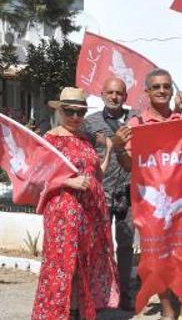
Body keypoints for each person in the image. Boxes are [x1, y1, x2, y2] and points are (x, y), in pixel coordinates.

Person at [120, 68, 182, 320]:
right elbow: (128, 165)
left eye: (166, 86)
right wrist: (119, 147)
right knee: (157, 258)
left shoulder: (180, 123)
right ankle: (166, 308)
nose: (162, 90)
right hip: (151, 207)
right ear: (147, 91)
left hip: (181, 203)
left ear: (172, 90)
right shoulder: (136, 125)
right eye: (157, 87)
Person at [32, 87, 119, 319]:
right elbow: (36, 177)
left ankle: (75, 311)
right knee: (62, 264)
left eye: (80, 112)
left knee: (84, 264)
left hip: (89, 213)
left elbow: (97, 176)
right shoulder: (50, 140)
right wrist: (68, 182)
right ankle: (56, 313)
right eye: (70, 111)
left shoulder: (85, 139)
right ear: (60, 111)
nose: (75, 117)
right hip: (63, 211)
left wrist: (108, 151)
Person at [82, 78, 139, 311]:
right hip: (102, 193)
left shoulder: (136, 119)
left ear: (126, 96)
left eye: (119, 93)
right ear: (102, 94)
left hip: (129, 192)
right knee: (100, 246)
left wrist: (178, 109)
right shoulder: (89, 123)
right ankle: (100, 294)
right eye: (110, 92)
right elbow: (83, 154)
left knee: (125, 246)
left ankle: (124, 294)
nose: (114, 97)